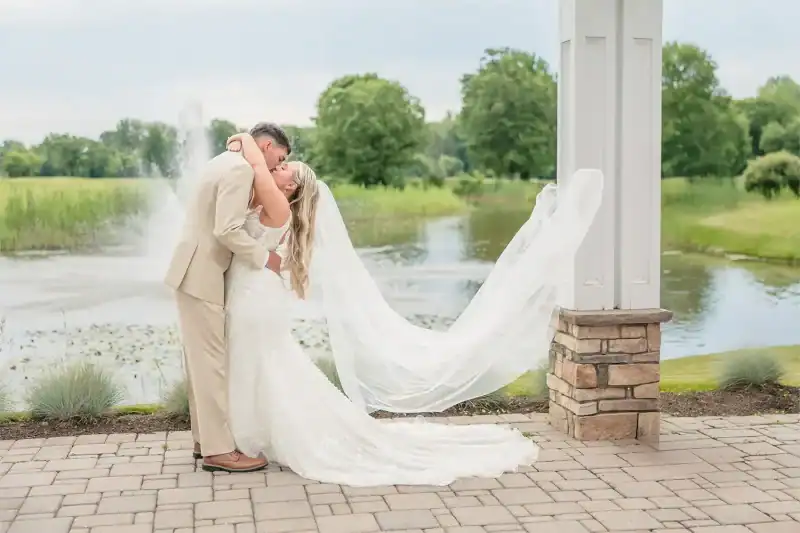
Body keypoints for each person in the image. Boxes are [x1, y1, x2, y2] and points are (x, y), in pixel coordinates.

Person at [220, 132, 602, 486]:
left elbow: (255, 165)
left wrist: (241, 139)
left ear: (291, 188)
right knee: (264, 364)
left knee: (264, 364)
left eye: (285, 168)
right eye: (281, 162)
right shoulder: (275, 203)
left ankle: (250, 436)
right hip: (255, 294)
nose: (278, 168)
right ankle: (249, 433)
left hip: (254, 297)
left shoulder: (277, 207)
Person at [164, 123, 294, 473]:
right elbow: (226, 229)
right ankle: (219, 452)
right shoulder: (238, 170)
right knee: (210, 364)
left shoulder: (223, 160)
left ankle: (203, 441)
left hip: (194, 270)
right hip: (201, 272)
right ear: (266, 147)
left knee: (200, 364)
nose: (274, 167)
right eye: (278, 159)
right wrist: (266, 258)